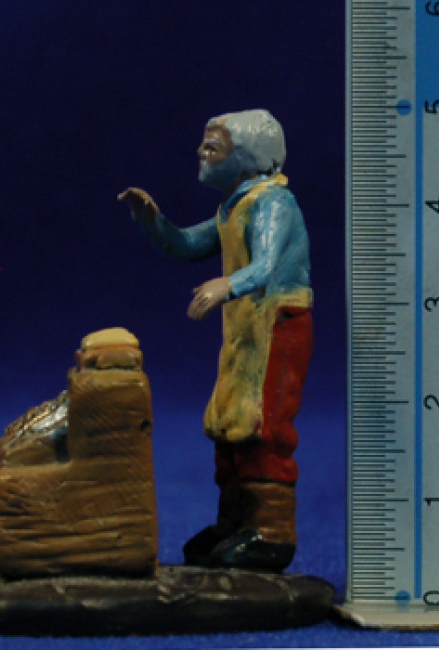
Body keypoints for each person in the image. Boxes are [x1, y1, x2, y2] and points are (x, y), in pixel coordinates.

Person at [118, 109, 312, 571]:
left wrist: (227, 284)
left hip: (278, 323)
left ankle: (271, 531)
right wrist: (153, 221)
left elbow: (266, 265)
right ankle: (236, 524)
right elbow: (188, 245)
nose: (201, 154)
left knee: (264, 422)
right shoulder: (234, 205)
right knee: (230, 420)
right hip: (247, 326)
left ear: (247, 157)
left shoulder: (273, 203)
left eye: (213, 148)